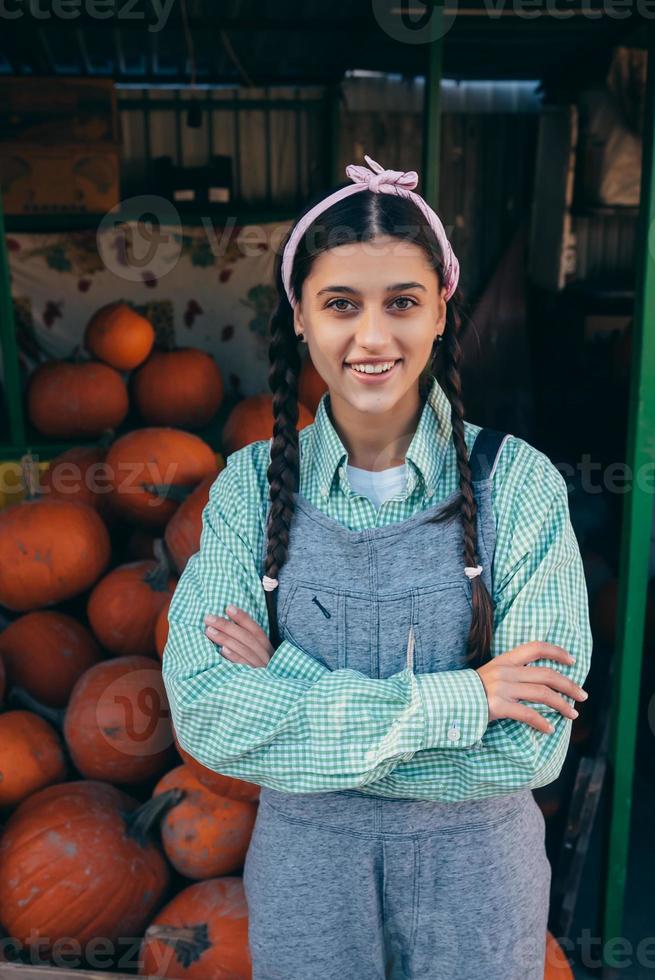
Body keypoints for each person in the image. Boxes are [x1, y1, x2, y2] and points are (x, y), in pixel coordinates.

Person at [162, 153, 592, 980]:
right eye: (339, 304)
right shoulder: (249, 492)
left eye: (401, 302)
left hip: (478, 887)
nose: (370, 336)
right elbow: (210, 717)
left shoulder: (522, 486)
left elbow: (528, 754)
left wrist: (285, 682)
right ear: (298, 317)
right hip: (305, 883)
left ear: (440, 313)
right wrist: (461, 698)